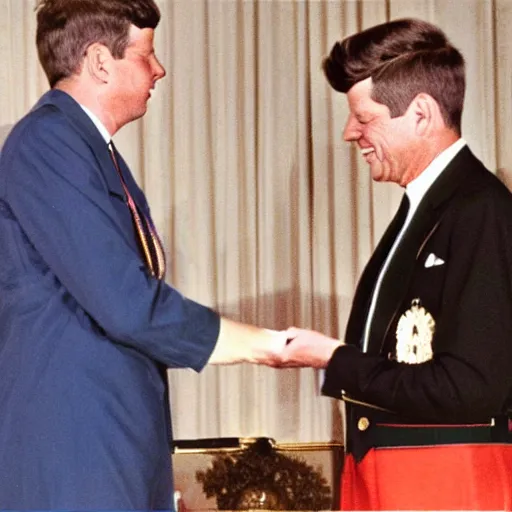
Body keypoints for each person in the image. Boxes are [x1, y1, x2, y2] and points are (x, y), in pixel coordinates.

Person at [0, 0, 287, 509]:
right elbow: (127, 303)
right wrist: (264, 345)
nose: (159, 70)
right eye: (146, 54)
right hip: (75, 452)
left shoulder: (90, 148)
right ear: (99, 62)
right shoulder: (48, 141)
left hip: (110, 445)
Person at [283, 18, 512, 510]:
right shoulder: (426, 209)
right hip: (394, 478)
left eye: (364, 118)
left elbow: (470, 387)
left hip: (447, 484)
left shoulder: (480, 210)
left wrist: (332, 358)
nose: (351, 133)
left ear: (422, 113)